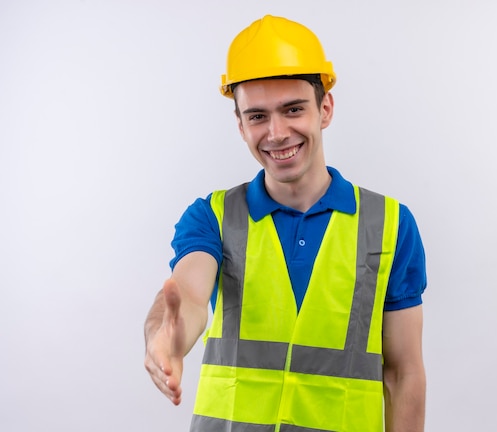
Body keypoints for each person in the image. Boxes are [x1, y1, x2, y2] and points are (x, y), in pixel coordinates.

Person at [144, 15, 427, 432]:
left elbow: (403, 374)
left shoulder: (390, 225)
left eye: (293, 109)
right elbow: (186, 292)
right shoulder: (213, 217)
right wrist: (165, 335)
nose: (277, 132)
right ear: (240, 125)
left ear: (324, 108)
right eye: (257, 116)